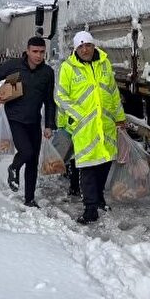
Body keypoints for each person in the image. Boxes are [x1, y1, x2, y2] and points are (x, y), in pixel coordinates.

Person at [55, 31, 126, 224]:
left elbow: (112, 93)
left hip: (105, 125)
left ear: (93, 46)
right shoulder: (68, 68)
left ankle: (99, 198)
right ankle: (90, 209)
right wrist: (78, 117)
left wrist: (119, 119)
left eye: (88, 45)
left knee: (104, 164)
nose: (85, 49)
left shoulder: (104, 63)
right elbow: (61, 97)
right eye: (81, 46)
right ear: (75, 49)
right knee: (87, 167)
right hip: (84, 128)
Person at [0, 36, 56, 208]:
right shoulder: (14, 65)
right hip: (15, 119)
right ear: (28, 50)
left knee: (33, 161)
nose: (38, 56)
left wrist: (49, 125)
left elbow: (49, 101)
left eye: (42, 52)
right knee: (27, 152)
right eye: (35, 52)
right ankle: (13, 168)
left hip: (34, 121)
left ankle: (29, 199)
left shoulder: (47, 73)